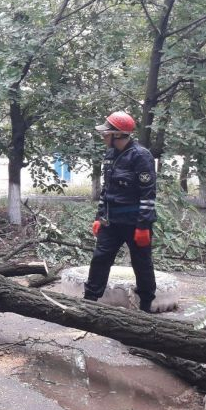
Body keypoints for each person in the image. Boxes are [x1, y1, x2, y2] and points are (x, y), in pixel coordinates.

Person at [84, 111, 157, 312]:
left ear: (117, 134)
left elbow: (148, 195)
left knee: (142, 264)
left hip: (135, 222)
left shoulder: (141, 156)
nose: (102, 136)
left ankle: (145, 306)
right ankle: (88, 302)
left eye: (106, 133)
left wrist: (143, 226)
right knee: (100, 259)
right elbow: (106, 190)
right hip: (112, 221)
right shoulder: (110, 155)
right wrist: (100, 217)